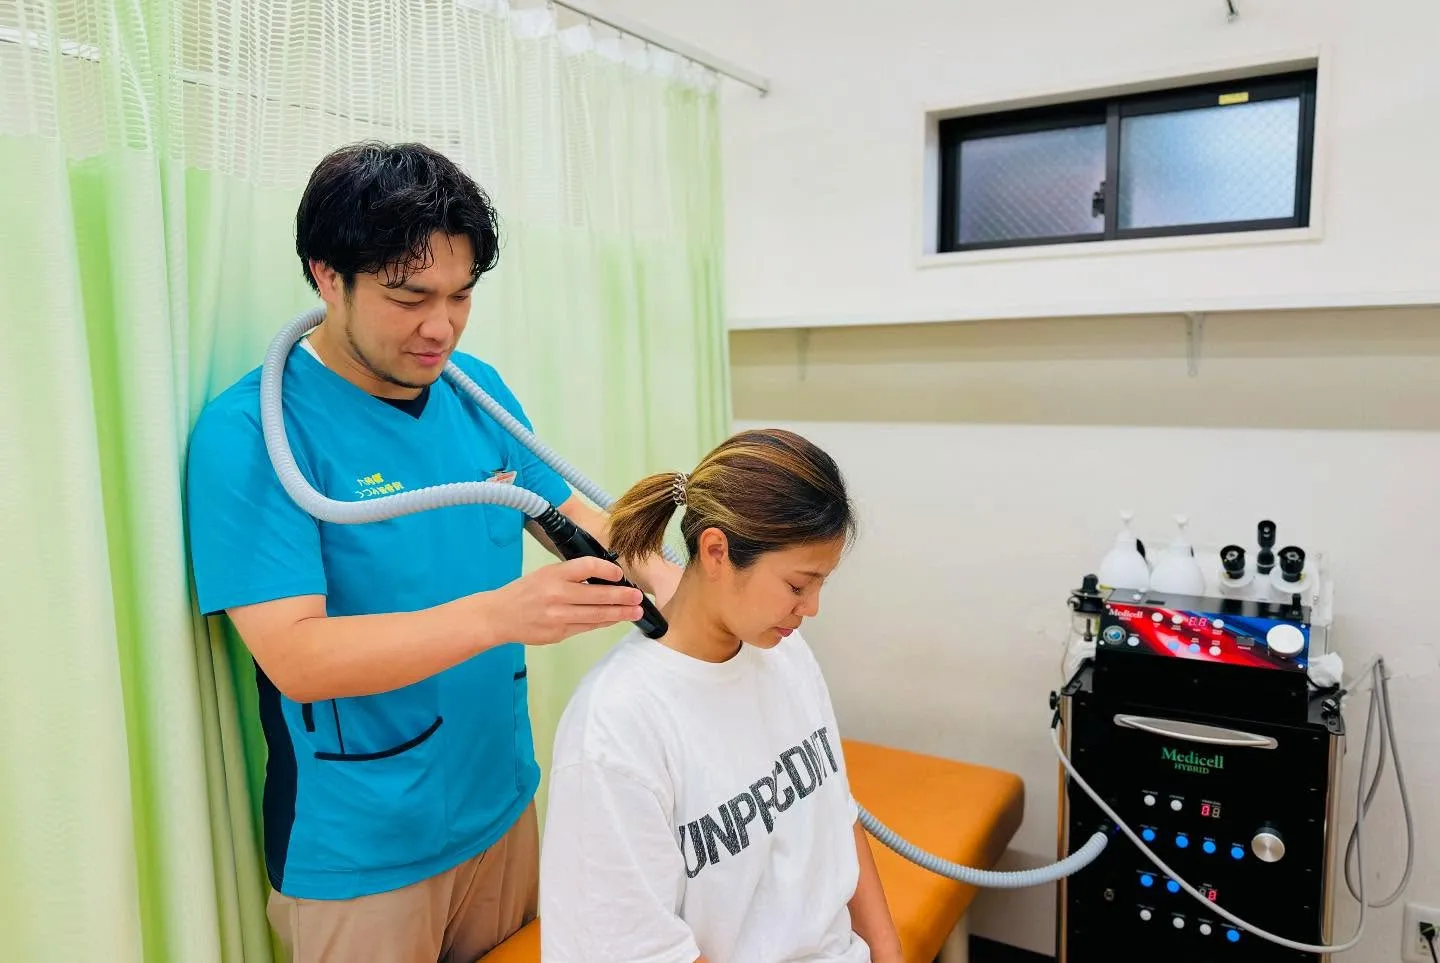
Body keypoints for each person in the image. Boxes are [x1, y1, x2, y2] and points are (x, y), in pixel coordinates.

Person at [184, 140, 680, 963]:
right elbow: (296, 658)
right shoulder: (252, 434)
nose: (439, 326)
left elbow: (580, 516)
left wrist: (695, 588)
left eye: (460, 295)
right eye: (408, 296)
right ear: (325, 275)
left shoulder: (472, 387)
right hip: (364, 849)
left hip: (503, 803)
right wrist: (504, 613)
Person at [537, 428, 905, 963]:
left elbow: (838, 815)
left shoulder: (786, 654)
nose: (812, 609)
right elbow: (637, 949)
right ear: (716, 551)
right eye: (798, 586)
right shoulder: (617, 725)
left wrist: (888, 953)